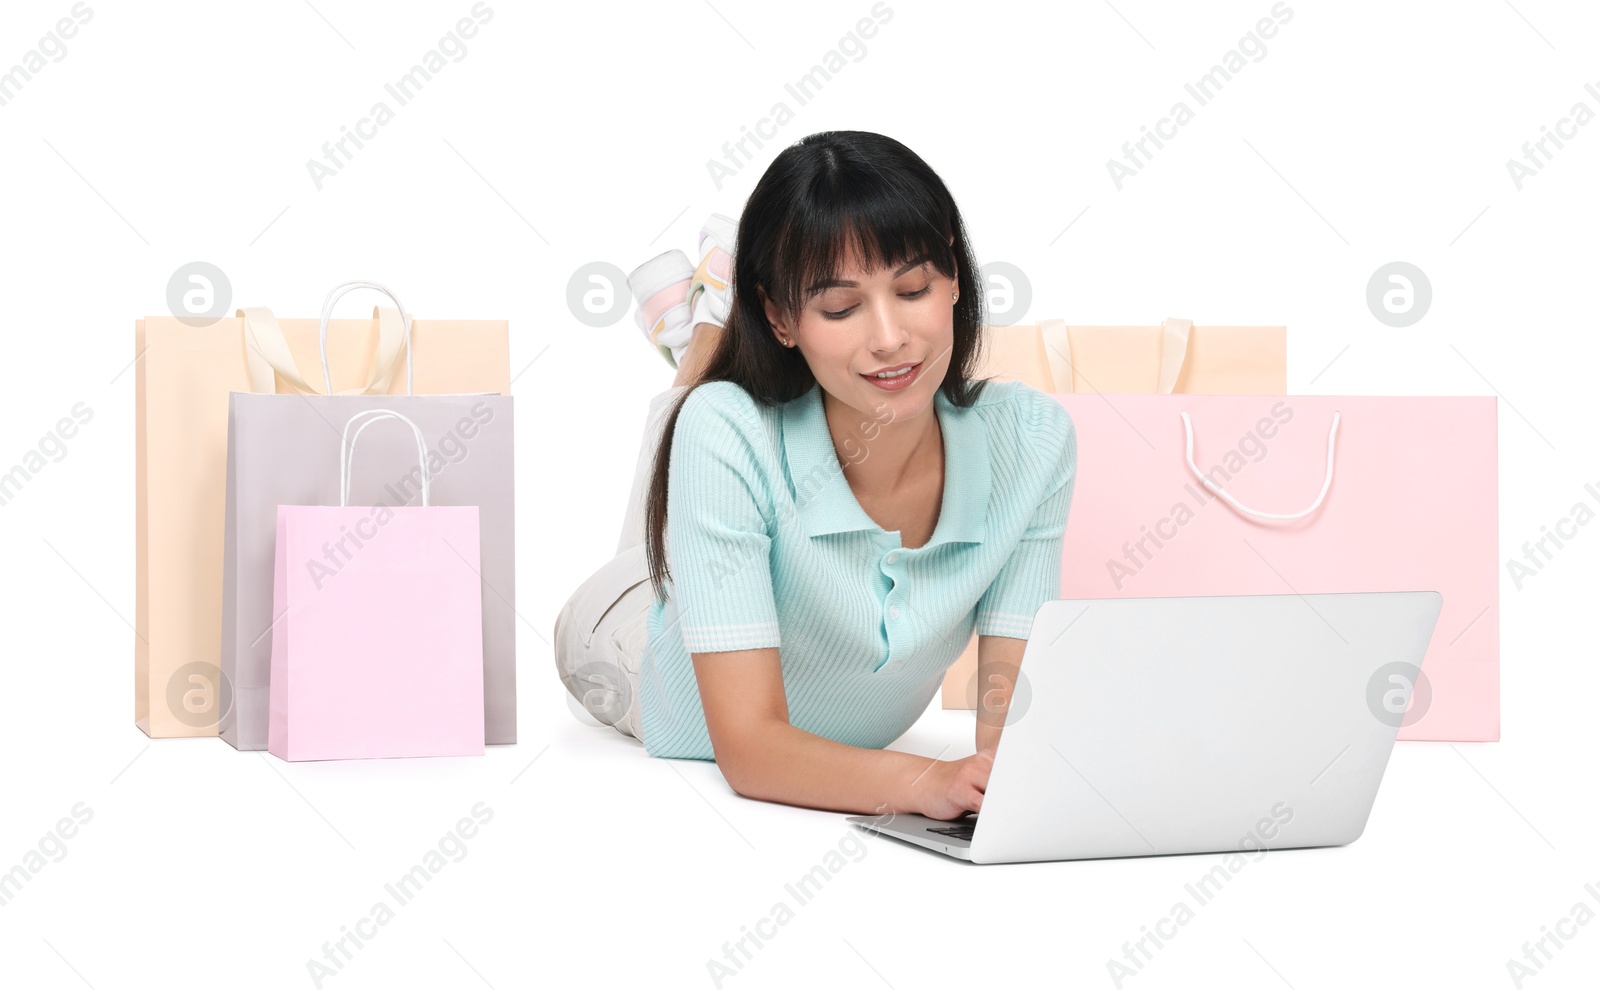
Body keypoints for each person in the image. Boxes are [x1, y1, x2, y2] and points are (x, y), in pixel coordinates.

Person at [554, 130, 1077, 821]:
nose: (891, 338)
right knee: (696, 417)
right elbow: (750, 751)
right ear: (779, 317)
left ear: (954, 276)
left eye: (914, 288)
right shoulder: (728, 431)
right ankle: (705, 341)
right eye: (840, 308)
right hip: (621, 632)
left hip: (809, 681)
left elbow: (1012, 727)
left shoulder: (1033, 438)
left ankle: (703, 327)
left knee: (710, 428)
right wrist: (925, 783)